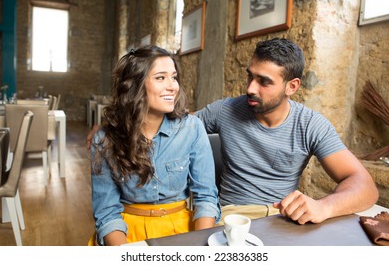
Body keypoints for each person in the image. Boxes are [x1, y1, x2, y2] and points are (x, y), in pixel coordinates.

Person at [88, 38, 378, 226]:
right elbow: (174, 123)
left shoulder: (311, 124)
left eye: (264, 81)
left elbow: (365, 187)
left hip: (283, 219)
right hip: (230, 217)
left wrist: (323, 207)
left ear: (292, 87)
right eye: (250, 76)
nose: (250, 88)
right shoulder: (226, 110)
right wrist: (117, 124)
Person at [88, 45, 220, 246]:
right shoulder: (104, 139)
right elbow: (107, 212)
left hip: (181, 228)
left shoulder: (192, 128)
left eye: (174, 77)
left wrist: (202, 247)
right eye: (161, 78)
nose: (173, 86)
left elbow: (206, 198)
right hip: (126, 232)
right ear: (135, 86)